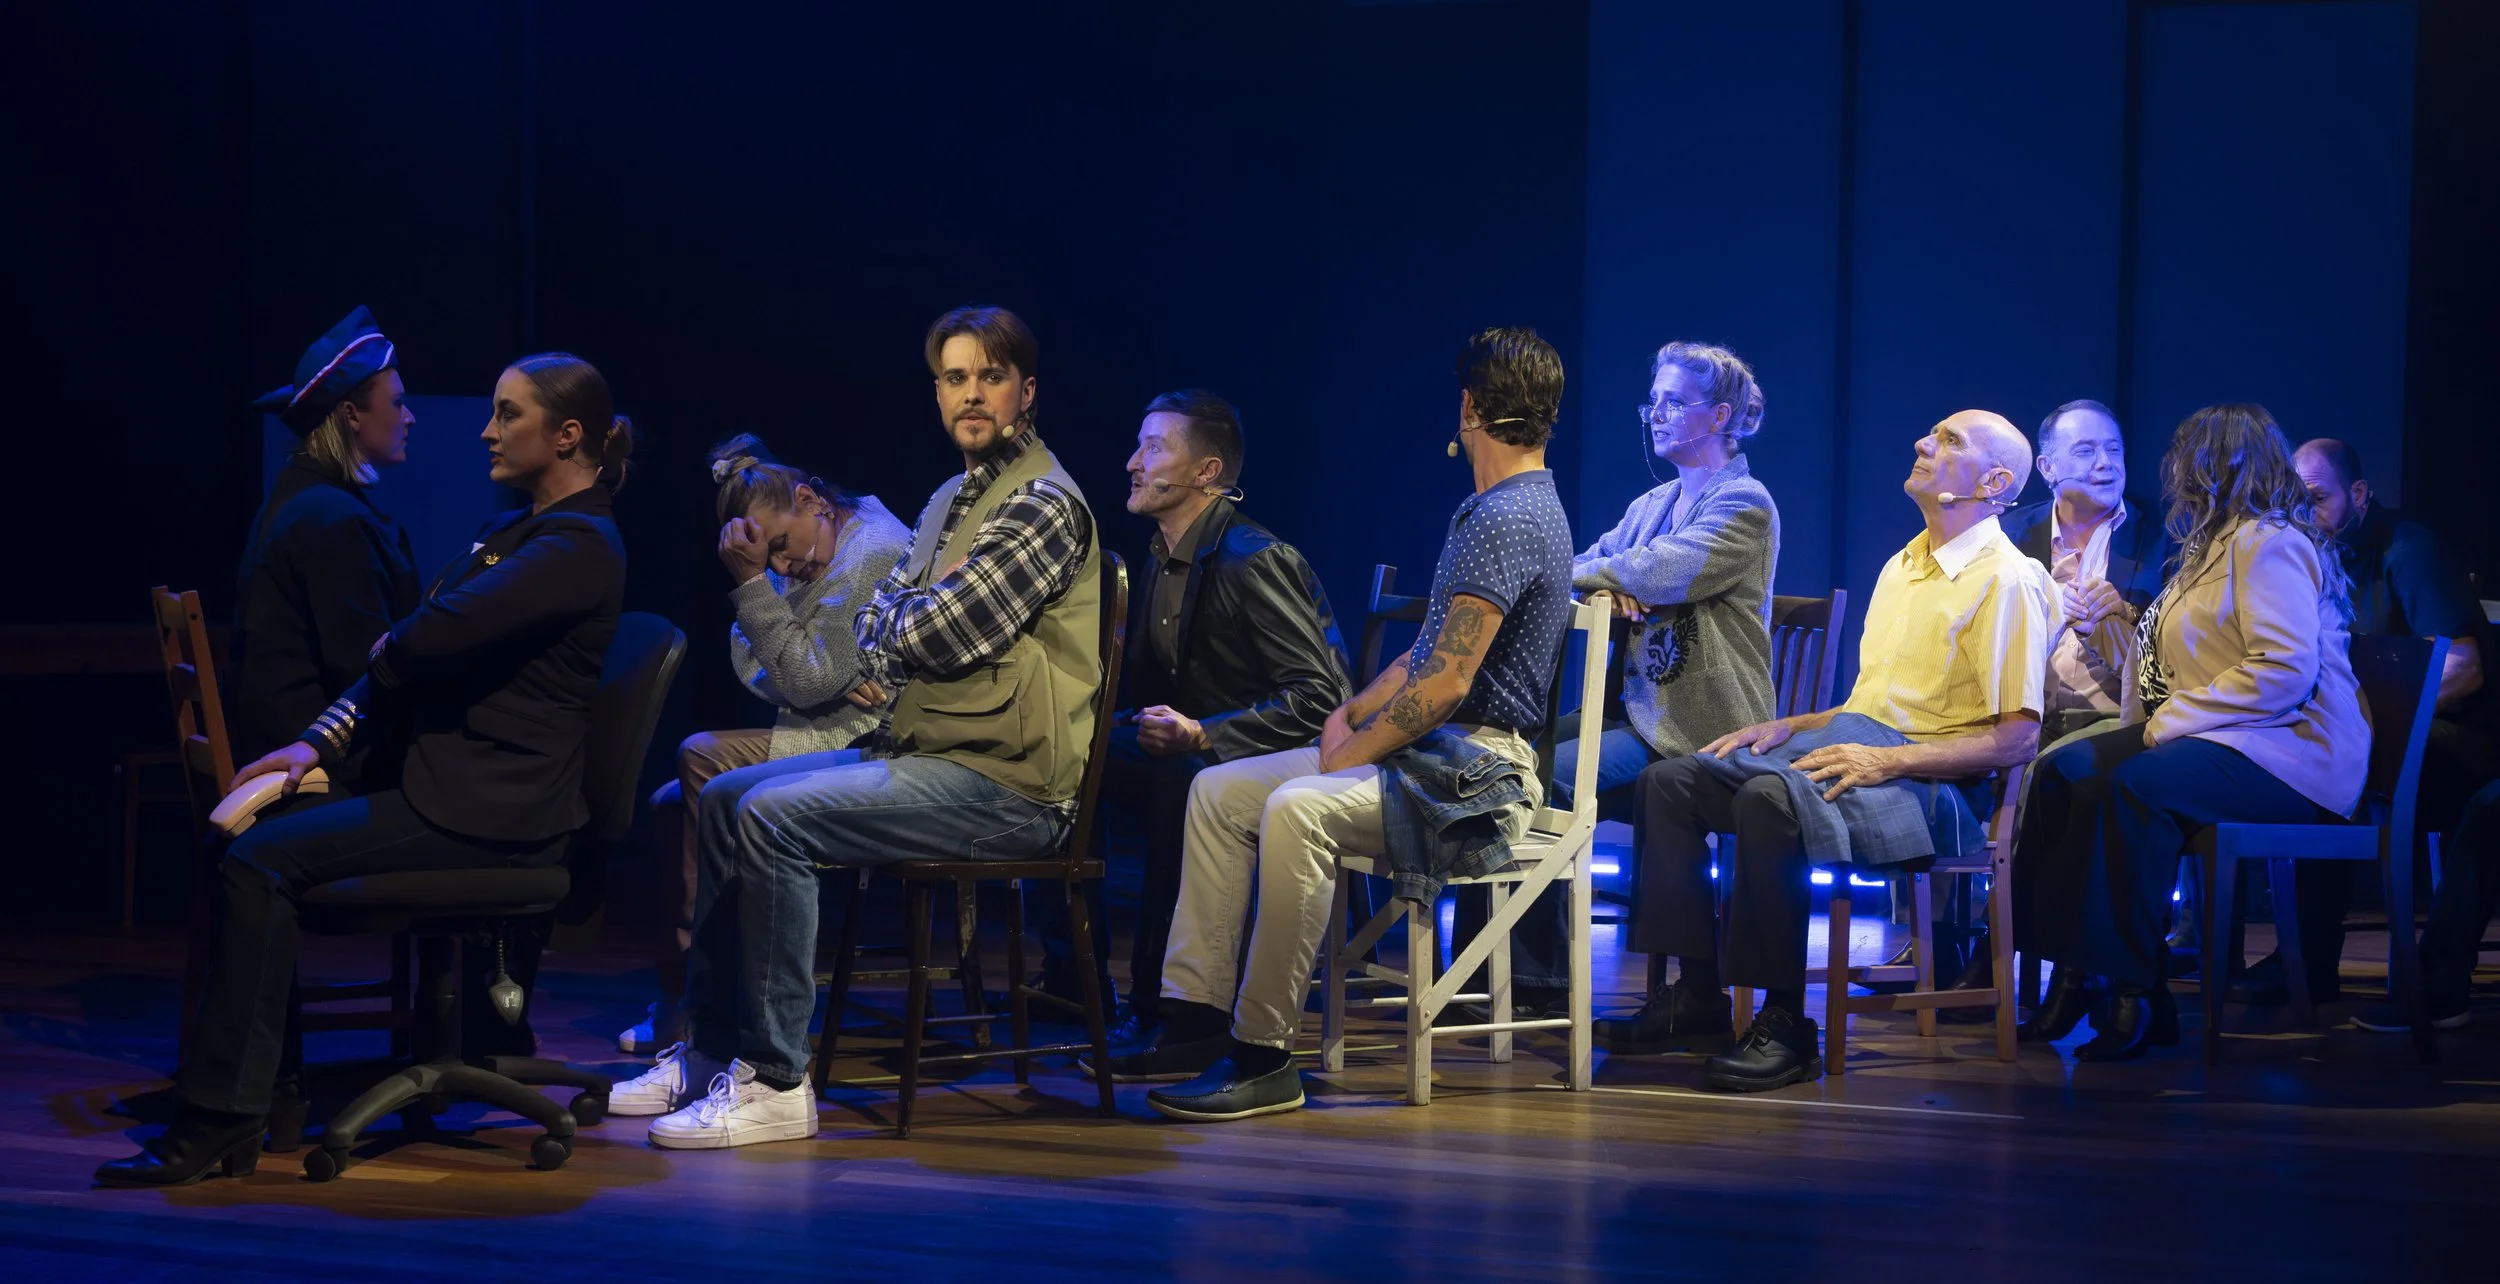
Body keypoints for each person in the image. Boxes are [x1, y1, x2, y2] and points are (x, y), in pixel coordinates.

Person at [96, 353, 633, 1186]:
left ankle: (221, 1116)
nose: (485, 431)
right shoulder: (514, 532)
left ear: (566, 436)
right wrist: (316, 743)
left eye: (506, 414)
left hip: (491, 812)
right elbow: (410, 645)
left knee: (258, 860)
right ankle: (263, 1093)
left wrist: (402, 647)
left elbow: (419, 641)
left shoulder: (580, 544)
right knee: (244, 839)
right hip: (453, 786)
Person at [610, 306, 1103, 1151]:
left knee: (770, 815)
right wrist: (898, 622)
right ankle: (712, 1047)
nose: (971, 394)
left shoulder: (1046, 505)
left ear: (1026, 392)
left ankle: (774, 1080)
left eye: (990, 377)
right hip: (930, 754)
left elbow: (930, 635)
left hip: (1011, 783)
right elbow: (886, 633)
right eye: (955, 378)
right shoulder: (953, 498)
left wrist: (896, 622)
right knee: (725, 797)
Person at [1097, 326, 1577, 1123]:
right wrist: (1347, 709)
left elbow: (1451, 683)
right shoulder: (1490, 507)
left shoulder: (1510, 517)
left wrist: (1349, 750)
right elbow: (1429, 653)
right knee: (1217, 791)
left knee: (1297, 807)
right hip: (1433, 753)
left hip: (1479, 773)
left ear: (1468, 408)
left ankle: (1264, 1056)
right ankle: (1193, 1019)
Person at [1619, 410, 2053, 1090]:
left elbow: (2017, 739)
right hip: (1869, 754)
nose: (1923, 442)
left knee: (1770, 797)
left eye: (1949, 441)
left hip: (1940, 791)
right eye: (1931, 433)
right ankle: (1698, 996)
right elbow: (1866, 711)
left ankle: (1789, 1024)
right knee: (1671, 782)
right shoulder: (1903, 565)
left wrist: (1889, 761)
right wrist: (1793, 725)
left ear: (1994, 481)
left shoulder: (2010, 579)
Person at [2014, 405, 2366, 1061]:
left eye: (2190, 460)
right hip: (2234, 736)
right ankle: (2070, 975)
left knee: (2133, 788)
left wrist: (2174, 717)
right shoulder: (2213, 545)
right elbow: (2169, 655)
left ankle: (2134, 994)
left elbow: (2285, 670)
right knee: (2064, 773)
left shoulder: (2272, 542)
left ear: (2221, 466)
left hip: (2295, 755)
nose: (2175, 474)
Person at [1030, 390, 1352, 1049]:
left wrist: (1206, 732)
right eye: (1139, 444)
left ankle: (1169, 1010)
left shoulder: (1253, 559)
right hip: (1193, 743)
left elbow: (1321, 698)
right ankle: (1076, 978)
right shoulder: (1161, 557)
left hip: (1266, 750)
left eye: (1154, 447)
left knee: (1179, 775)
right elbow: (1153, 686)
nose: (1132, 462)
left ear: (1206, 472)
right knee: (1065, 754)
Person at [1508, 340, 1782, 1047]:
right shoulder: (1654, 501)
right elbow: (1580, 565)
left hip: (1702, 724)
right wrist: (1610, 578)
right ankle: (1502, 976)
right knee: (1509, 756)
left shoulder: (1745, 503)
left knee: (1546, 779)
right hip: (1637, 714)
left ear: (1720, 414)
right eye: (1651, 400)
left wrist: (1620, 577)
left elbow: (1661, 569)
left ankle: (1533, 983)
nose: (1655, 414)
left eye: (1672, 402)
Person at [617, 435, 911, 1054]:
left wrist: (756, 593)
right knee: (670, 804)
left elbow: (799, 679)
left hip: (868, 737)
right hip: (818, 724)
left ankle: (713, 1005)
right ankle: (681, 996)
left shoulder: (870, 554)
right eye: (764, 558)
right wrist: (807, 666)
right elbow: (760, 667)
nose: (779, 566)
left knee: (700, 753)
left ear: (811, 500)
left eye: (780, 545)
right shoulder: (829, 541)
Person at [2273, 437, 2495, 1021]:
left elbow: (2465, 670)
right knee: (2295, 768)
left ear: (2360, 493)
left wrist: (2365, 722)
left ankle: (2313, 961)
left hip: (2456, 743)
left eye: (2317, 498)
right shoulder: (2307, 556)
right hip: (2366, 739)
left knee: (2334, 771)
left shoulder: (2408, 550)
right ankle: (2304, 964)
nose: (2304, 513)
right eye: (2294, 501)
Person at [231, 305, 421, 794]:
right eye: (397, 403)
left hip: (302, 752)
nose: (410, 417)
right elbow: (370, 671)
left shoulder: (304, 500)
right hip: (319, 773)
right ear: (352, 414)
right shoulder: (331, 521)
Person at [2003, 400, 2174, 746]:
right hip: (2021, 722)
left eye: (2114, 450)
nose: (2105, 463)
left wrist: (2124, 613)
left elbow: (2181, 648)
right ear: (2047, 468)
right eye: (2086, 451)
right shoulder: (2007, 535)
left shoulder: (2166, 534)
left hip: (2120, 724)